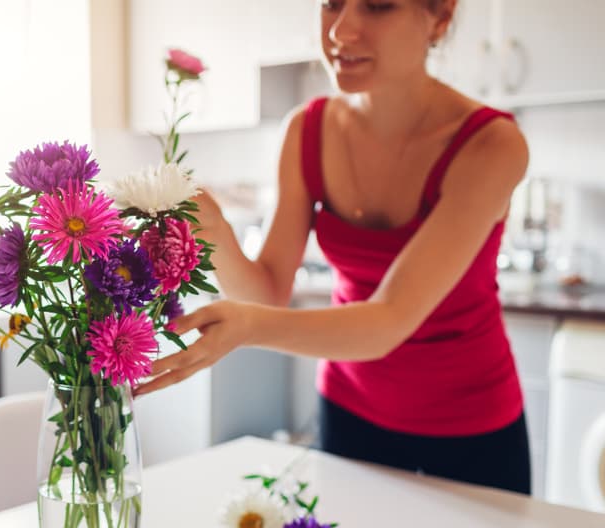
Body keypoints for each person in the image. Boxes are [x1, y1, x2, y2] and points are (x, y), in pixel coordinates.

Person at [134, 0, 533, 495]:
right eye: (331, 4)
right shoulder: (308, 129)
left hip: (472, 430)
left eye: (378, 6)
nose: (341, 31)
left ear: (441, 16)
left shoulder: (491, 144)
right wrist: (211, 228)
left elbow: (389, 320)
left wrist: (245, 327)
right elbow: (268, 292)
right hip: (350, 412)